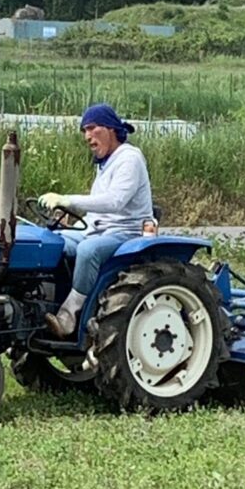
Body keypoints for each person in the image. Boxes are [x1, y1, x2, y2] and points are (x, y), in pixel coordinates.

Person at [38, 103, 154, 339]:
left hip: (126, 233)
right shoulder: (106, 162)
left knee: (88, 250)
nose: (87, 136)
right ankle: (41, 306)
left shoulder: (129, 158)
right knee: (51, 241)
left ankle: (69, 316)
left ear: (110, 128)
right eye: (84, 131)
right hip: (98, 230)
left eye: (92, 128)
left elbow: (114, 202)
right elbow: (99, 207)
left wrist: (68, 201)